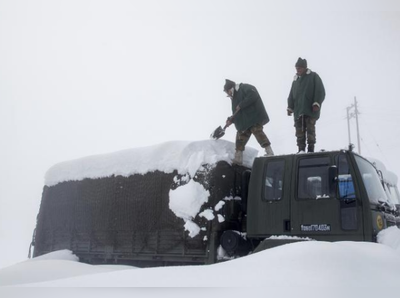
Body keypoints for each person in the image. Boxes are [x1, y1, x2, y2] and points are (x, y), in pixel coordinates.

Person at [223, 79, 274, 165]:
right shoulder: (234, 98)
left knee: (258, 133)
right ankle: (238, 159)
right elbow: (237, 113)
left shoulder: (243, 88)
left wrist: (242, 104)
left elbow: (253, 94)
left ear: (230, 89)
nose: (228, 94)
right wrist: (230, 120)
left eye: (227, 92)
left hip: (253, 118)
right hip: (243, 123)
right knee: (239, 139)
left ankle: (269, 152)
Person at [287, 58, 325, 153]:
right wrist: (290, 107)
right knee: (299, 132)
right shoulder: (295, 81)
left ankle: (311, 149)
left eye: (299, 68)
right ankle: (301, 150)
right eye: (296, 68)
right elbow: (291, 95)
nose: (298, 70)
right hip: (298, 111)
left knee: (310, 131)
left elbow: (320, 91)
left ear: (304, 68)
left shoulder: (313, 76)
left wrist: (316, 102)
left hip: (310, 110)